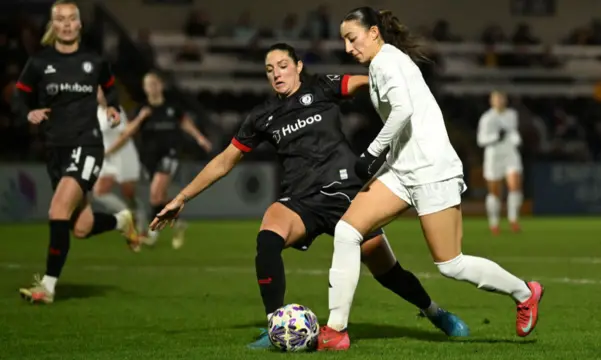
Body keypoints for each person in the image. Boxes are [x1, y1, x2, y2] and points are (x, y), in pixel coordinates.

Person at [149, 42, 470, 349]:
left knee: (389, 272)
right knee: (268, 239)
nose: (277, 73)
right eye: (269, 69)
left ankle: (435, 313)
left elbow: (367, 81)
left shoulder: (321, 87)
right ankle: (277, 325)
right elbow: (223, 161)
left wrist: (400, 85)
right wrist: (181, 198)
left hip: (346, 196)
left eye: (283, 66)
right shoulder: (262, 116)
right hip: (301, 200)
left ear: (299, 67)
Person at [317, 8, 544, 351]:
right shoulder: (383, 62)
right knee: (348, 232)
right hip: (401, 169)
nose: (348, 47)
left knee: (451, 264)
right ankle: (335, 331)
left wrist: (370, 153)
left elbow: (404, 110)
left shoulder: (386, 62)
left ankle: (525, 293)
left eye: (352, 38)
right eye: (344, 41)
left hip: (431, 170)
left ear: (374, 32)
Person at [13, 0, 140, 304]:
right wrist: (28, 113)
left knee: (57, 210)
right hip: (55, 149)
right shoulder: (40, 63)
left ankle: (47, 286)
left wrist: (111, 107)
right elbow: (20, 97)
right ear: (53, 25)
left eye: (72, 19)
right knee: (81, 227)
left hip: (87, 145)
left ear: (79, 24)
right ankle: (122, 221)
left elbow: (110, 89)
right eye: (61, 19)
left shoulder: (94, 61)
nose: (67, 24)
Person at [105, 72, 212, 249]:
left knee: (155, 193)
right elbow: (128, 133)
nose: (152, 87)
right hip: (149, 158)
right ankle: (178, 223)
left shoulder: (172, 107)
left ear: (160, 86)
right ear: (145, 88)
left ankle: (152, 233)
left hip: (170, 153)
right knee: (160, 197)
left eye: (155, 83)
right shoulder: (142, 110)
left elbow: (185, 122)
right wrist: (140, 119)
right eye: (148, 84)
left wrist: (199, 138)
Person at [93, 87, 146, 233]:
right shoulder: (96, 112)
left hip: (124, 155)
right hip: (108, 159)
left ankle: (142, 223)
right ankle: (127, 216)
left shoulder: (116, 110)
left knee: (129, 194)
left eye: (101, 90)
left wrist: (108, 151)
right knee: (99, 192)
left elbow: (125, 136)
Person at [477, 91, 523, 234]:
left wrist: (516, 139)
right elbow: (481, 140)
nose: (499, 101)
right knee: (494, 192)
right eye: (496, 99)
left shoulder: (512, 115)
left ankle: (513, 219)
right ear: (491, 101)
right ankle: (494, 222)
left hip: (510, 154)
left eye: (501, 98)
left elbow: (513, 131)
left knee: (514, 186)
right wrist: (496, 137)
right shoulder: (486, 118)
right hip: (493, 156)